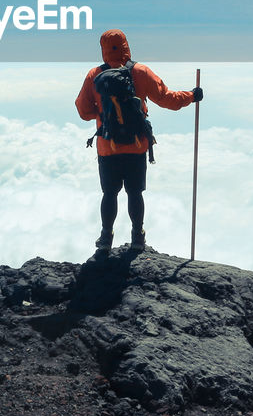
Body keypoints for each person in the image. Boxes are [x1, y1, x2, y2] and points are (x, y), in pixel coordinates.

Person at [75, 29, 202, 252]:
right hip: (136, 146)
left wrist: (101, 115)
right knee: (135, 193)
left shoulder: (95, 75)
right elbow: (166, 99)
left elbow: (83, 110)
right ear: (126, 45)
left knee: (109, 194)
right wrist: (192, 96)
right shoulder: (141, 72)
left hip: (108, 147)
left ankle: (105, 238)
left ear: (103, 48)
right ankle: (137, 237)